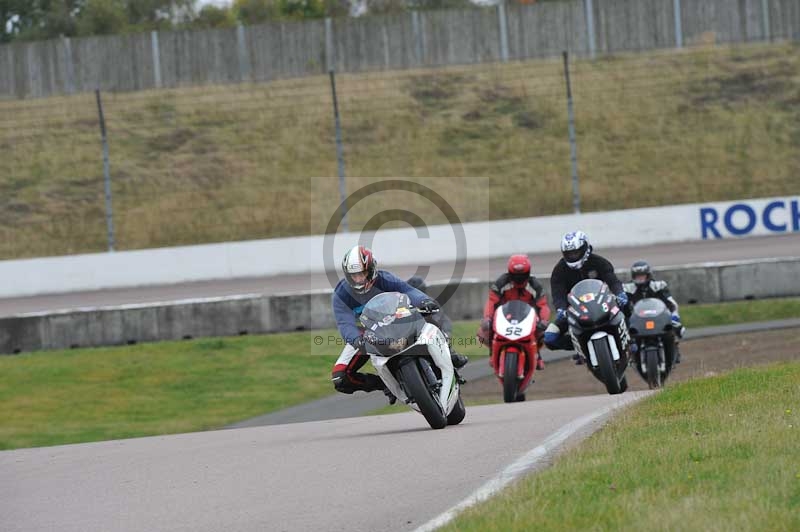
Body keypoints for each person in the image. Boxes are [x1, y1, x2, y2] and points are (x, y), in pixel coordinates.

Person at [331, 246, 468, 400]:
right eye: (354, 276)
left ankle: (449, 353)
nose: (359, 279)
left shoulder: (384, 278)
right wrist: (356, 339)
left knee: (427, 312)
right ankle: (385, 385)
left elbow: (408, 291)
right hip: (367, 333)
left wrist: (424, 301)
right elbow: (344, 323)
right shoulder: (341, 294)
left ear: (371, 269)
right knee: (340, 378)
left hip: (397, 320)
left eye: (362, 274)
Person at [544, 231, 629, 359]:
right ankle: (581, 347)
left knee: (627, 306)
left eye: (576, 252)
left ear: (585, 248)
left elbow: (613, 281)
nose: (573, 256)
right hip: (574, 311)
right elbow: (558, 294)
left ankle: (631, 340)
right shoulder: (559, 271)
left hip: (603, 304)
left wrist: (620, 293)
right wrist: (560, 309)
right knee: (550, 338)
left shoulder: (599, 262)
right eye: (569, 254)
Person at [476, 254, 551, 370]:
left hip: (528, 318)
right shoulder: (501, 283)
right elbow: (491, 301)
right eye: (516, 275)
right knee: (482, 333)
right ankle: (493, 352)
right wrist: (487, 318)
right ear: (510, 273)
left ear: (528, 273)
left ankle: (537, 354)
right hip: (504, 316)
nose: (519, 279)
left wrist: (544, 321)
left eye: (522, 275)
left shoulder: (535, 285)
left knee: (544, 334)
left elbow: (543, 305)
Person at [623, 260, 685, 363]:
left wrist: (674, 316)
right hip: (637, 318)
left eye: (642, 275)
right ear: (633, 276)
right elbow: (623, 306)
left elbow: (671, 303)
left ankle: (673, 348)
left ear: (648, 275)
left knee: (674, 328)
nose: (640, 278)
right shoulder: (627, 288)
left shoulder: (659, 285)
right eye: (637, 276)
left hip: (658, 317)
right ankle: (629, 352)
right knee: (625, 331)